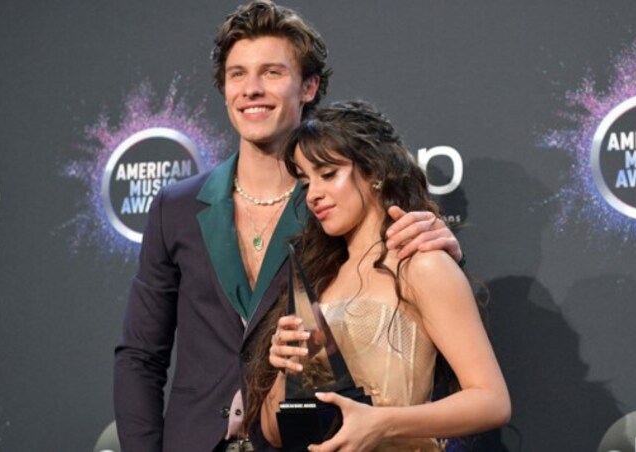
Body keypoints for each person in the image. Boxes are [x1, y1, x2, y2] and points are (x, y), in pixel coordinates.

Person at [113, 2, 463, 451]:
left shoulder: (337, 207)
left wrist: (442, 248)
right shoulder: (175, 207)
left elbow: (407, 294)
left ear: (309, 86)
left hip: (302, 441)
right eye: (237, 74)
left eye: (272, 72)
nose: (251, 90)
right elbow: (141, 356)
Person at [254, 101, 510, 451]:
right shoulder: (317, 280)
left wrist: (380, 423)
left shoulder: (420, 264)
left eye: (328, 174)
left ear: (375, 171)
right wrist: (285, 367)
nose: (313, 194)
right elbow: (274, 432)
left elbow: (492, 401)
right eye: (305, 181)